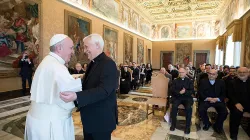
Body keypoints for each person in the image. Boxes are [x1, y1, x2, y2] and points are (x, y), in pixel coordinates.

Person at [60, 34, 118, 140]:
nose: (85, 50)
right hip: (90, 120)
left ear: (97, 45)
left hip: (101, 121)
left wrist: (77, 96)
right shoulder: (92, 62)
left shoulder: (108, 64)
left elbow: (104, 90)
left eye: (87, 47)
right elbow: (88, 84)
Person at [24, 34, 82, 140]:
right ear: (59, 48)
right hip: (52, 124)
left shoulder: (47, 61)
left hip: (39, 121)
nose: (73, 52)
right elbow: (70, 91)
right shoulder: (57, 66)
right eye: (70, 48)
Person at [198, 69, 228, 134]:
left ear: (216, 75)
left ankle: (217, 125)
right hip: (206, 100)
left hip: (217, 100)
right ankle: (207, 123)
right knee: (201, 110)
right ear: (208, 74)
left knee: (224, 112)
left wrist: (217, 99)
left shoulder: (221, 82)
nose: (211, 75)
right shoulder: (203, 81)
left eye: (213, 74)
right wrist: (207, 98)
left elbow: (224, 94)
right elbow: (200, 92)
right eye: (210, 74)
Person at [170, 68, 194, 134]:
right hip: (177, 97)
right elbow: (172, 90)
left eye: (182, 72)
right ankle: (173, 125)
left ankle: (187, 127)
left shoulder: (189, 81)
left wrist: (185, 91)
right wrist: (179, 92)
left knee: (189, 108)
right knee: (174, 107)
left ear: (185, 73)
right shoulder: (175, 81)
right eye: (180, 72)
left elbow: (192, 91)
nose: (181, 74)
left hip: (187, 98)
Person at [228, 67, 250, 140]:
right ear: (237, 73)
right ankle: (233, 133)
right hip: (236, 104)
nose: (242, 74)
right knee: (236, 113)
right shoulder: (233, 82)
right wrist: (236, 103)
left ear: (248, 73)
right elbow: (231, 95)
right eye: (240, 72)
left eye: (244, 72)